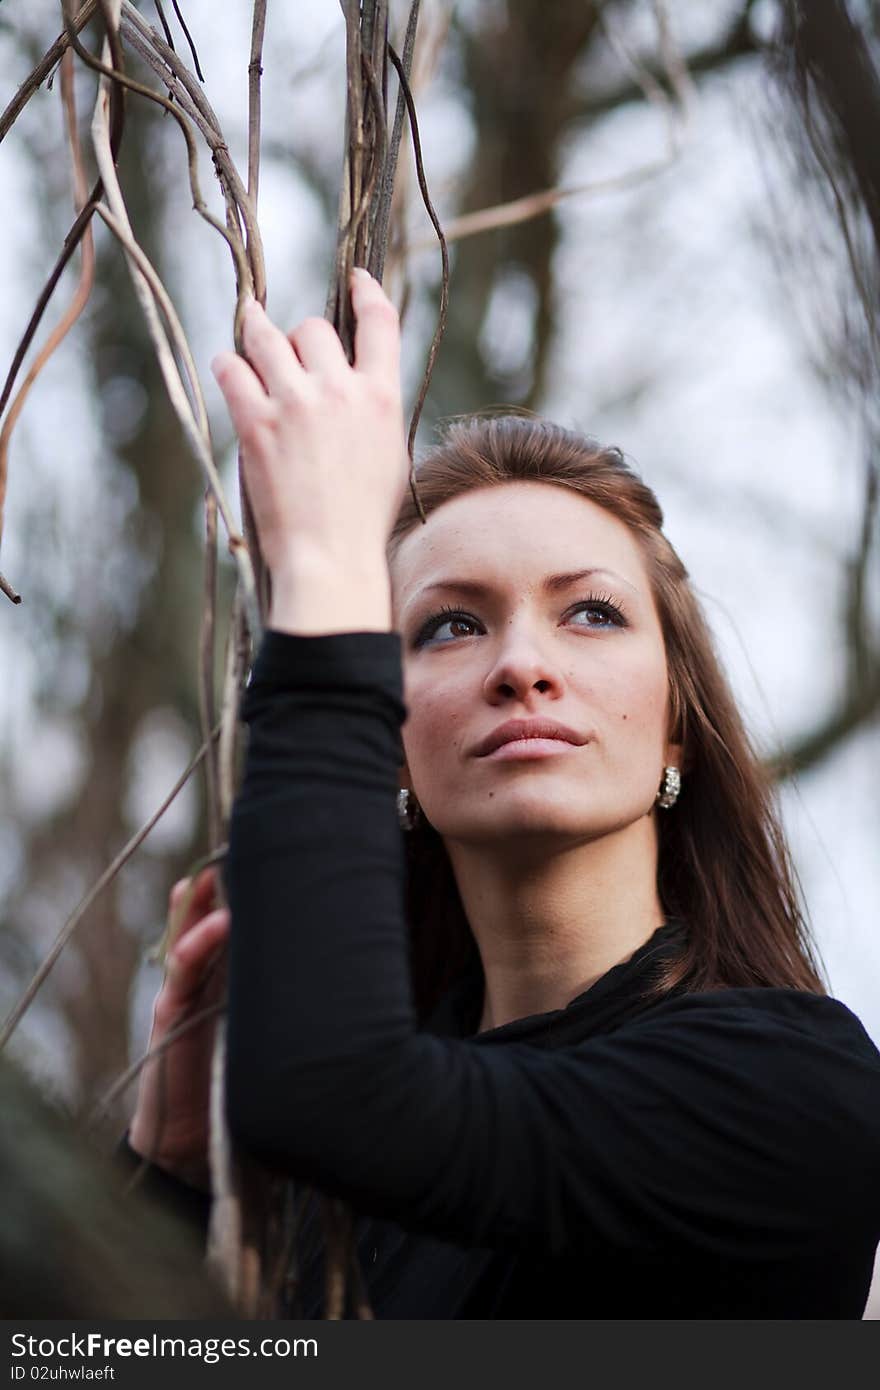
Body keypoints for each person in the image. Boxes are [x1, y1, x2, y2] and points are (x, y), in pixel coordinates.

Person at [125, 269, 880, 1318]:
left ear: (675, 723)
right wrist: (169, 1172)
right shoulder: (337, 1202)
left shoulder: (787, 1088)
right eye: (449, 624)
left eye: (591, 615)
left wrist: (332, 569)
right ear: (384, 741)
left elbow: (345, 1098)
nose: (522, 665)